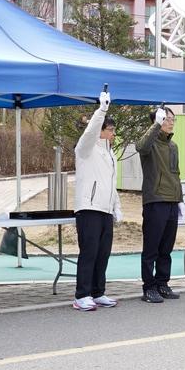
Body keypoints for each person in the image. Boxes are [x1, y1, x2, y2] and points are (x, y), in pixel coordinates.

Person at [72, 90, 121, 311]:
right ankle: (81, 295)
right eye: (110, 130)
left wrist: (116, 207)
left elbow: (112, 184)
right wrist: (101, 110)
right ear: (100, 130)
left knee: (103, 253)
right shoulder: (86, 149)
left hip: (105, 210)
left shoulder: (111, 155)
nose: (113, 133)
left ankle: (98, 292)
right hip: (88, 208)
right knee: (89, 252)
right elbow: (90, 132)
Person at [137, 106, 182, 304]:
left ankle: (163, 283)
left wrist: (179, 199)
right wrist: (156, 124)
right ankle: (149, 287)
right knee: (151, 248)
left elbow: (175, 173)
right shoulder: (150, 143)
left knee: (166, 248)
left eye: (172, 119)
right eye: (166, 119)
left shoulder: (173, 146)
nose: (171, 122)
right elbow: (141, 147)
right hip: (155, 200)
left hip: (172, 200)